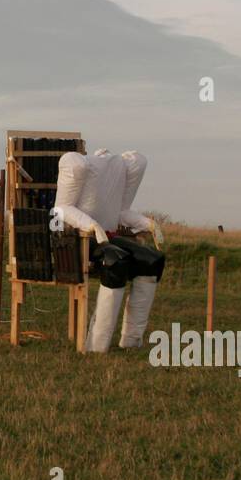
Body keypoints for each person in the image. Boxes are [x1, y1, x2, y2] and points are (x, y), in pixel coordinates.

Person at [53, 148, 164, 352]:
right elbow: (61, 209)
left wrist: (148, 224)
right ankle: (97, 344)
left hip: (106, 235)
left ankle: (132, 340)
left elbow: (121, 212)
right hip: (75, 239)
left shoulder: (117, 171)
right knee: (116, 261)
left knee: (152, 260)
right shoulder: (76, 166)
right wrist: (92, 225)